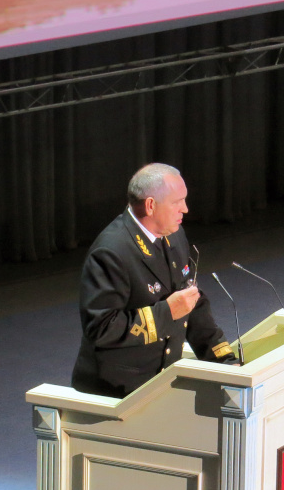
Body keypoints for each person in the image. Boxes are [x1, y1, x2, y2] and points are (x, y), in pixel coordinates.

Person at [72, 163, 238, 398]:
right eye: (177, 202)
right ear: (151, 205)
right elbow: (100, 328)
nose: (186, 209)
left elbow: (190, 302)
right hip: (117, 391)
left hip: (162, 381)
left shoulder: (174, 235)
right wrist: (167, 313)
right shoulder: (112, 251)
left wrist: (223, 360)